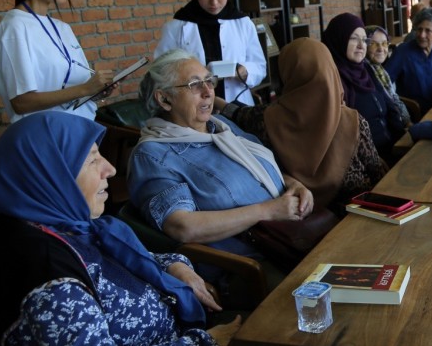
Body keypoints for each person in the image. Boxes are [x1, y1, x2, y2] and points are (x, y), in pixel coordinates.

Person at [0, 112, 232, 346]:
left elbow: (127, 263)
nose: (110, 169)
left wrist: (174, 265)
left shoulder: (63, 222)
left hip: (186, 344)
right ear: (52, 173)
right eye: (92, 160)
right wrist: (211, 344)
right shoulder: (45, 275)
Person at [127, 50, 314, 269]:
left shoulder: (221, 126)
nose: (208, 92)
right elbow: (182, 226)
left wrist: (294, 184)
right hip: (250, 265)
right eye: (194, 85)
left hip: (290, 237)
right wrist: (268, 211)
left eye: (209, 81)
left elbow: (256, 170)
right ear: (164, 99)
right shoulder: (153, 155)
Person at [218, 38, 388, 211]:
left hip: (302, 218)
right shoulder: (354, 121)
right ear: (330, 70)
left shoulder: (265, 119)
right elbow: (378, 174)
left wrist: (214, 100)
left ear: (287, 74)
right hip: (359, 215)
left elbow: (236, 113)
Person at [0, 0, 116, 122]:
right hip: (47, 135)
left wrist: (96, 90)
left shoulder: (63, 28)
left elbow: (76, 91)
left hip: (81, 129)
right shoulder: (14, 27)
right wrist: (86, 89)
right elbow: (22, 102)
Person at [154, 0, 266, 106]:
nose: (214, 2)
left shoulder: (243, 23)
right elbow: (160, 72)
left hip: (237, 104)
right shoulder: (176, 27)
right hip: (193, 109)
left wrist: (245, 71)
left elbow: (259, 66)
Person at [322, 13, 407, 159]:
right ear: (339, 40)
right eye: (354, 39)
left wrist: (405, 138)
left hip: (393, 146)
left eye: (364, 40)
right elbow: (343, 140)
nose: (362, 46)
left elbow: (390, 107)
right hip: (369, 161)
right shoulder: (333, 80)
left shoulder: (366, 70)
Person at [366, 24, 412, 126]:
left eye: (384, 43)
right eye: (374, 44)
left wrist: (407, 122)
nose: (381, 49)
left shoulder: (380, 70)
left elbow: (393, 98)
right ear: (364, 45)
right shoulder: (366, 73)